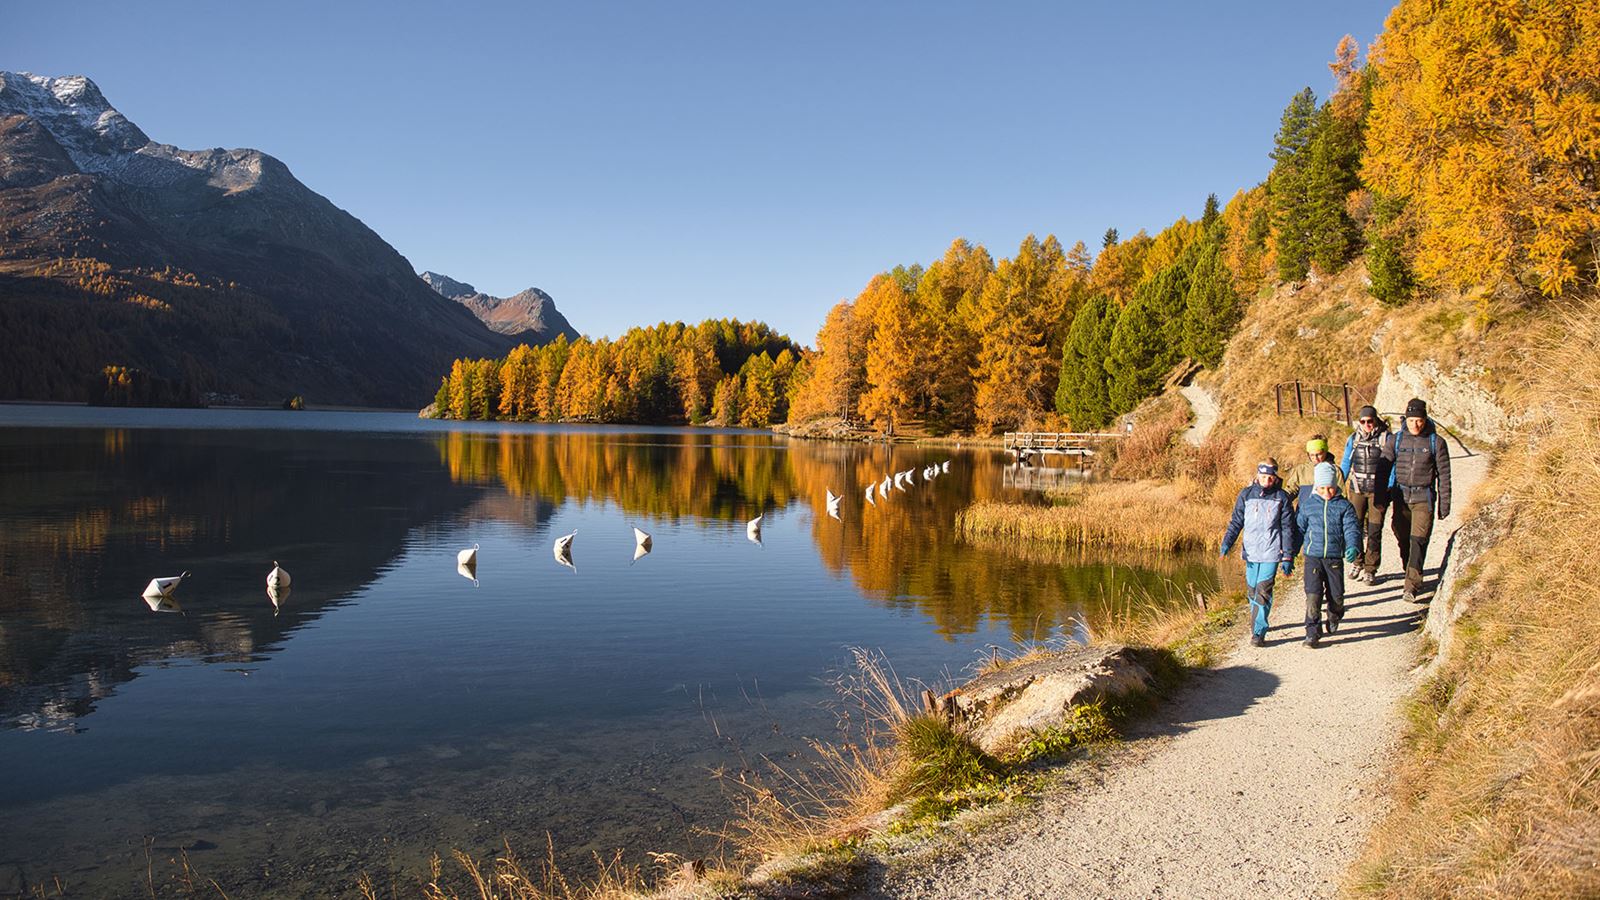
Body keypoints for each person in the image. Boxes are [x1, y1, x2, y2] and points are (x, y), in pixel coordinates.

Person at [1220, 459, 1298, 647]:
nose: (1267, 480)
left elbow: (1288, 528)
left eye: (1270, 477)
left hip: (1271, 552)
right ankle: (1258, 621)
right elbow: (1236, 522)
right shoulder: (1246, 495)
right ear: (1257, 475)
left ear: (1275, 477)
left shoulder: (1282, 497)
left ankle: (1258, 632)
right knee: (1253, 591)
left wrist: (1288, 555)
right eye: (1263, 476)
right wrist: (1227, 543)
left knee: (1263, 590)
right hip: (1252, 552)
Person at [1389, 398, 1453, 602]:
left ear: (1425, 420)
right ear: (1405, 420)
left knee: (1418, 540)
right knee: (1402, 538)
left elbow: (1444, 475)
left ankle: (1411, 585)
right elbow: (1383, 470)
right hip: (1401, 497)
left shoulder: (1436, 443)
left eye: (1419, 420)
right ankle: (1410, 569)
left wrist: (1444, 504)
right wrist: (1380, 496)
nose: (1415, 425)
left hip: (1423, 498)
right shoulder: (1396, 440)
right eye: (1411, 421)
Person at [1295, 462, 1361, 647]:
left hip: (1334, 557)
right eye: (1322, 488)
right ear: (1317, 486)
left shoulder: (1344, 506)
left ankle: (1334, 614)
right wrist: (1290, 553)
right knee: (1312, 596)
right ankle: (1312, 632)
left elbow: (1351, 529)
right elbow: (1299, 529)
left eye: (1330, 487)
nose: (1327, 492)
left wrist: (1353, 546)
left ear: (1336, 486)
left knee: (1337, 596)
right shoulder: (1308, 505)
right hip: (1313, 557)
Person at [1339, 405, 1395, 583]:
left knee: (1374, 529)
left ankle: (1371, 568)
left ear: (1375, 420)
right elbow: (1346, 463)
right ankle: (1357, 561)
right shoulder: (1353, 439)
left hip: (1378, 491)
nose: (1367, 424)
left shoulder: (1387, 438)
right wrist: (1338, 484)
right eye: (1363, 421)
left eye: (1370, 421)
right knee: (1353, 528)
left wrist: (1390, 486)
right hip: (1357, 489)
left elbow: (1394, 464)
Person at [1281, 435, 1347, 510]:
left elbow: (1341, 496)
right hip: (1303, 514)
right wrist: (1281, 499)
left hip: (1325, 514)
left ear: (1325, 452)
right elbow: (1291, 489)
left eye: (1319, 454)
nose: (1315, 458)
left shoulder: (1335, 470)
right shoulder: (1301, 470)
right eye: (1312, 455)